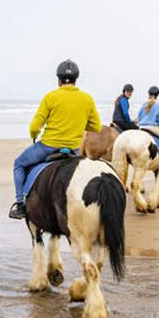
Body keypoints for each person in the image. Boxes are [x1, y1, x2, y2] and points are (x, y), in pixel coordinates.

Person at [9, 60, 101, 219]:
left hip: (48, 147)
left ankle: (20, 204)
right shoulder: (87, 99)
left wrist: (34, 134)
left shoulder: (50, 97)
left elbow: (34, 127)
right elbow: (96, 127)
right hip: (73, 149)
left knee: (19, 164)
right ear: (76, 79)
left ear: (58, 79)